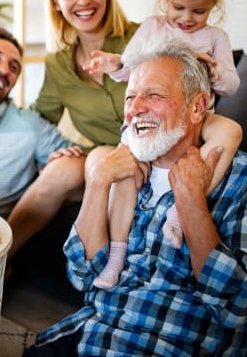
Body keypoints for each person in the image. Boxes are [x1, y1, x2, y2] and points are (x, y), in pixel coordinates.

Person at [23, 39, 247, 357]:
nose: (135, 108)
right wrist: (99, 180)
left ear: (198, 107)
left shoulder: (238, 180)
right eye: (130, 96)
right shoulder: (124, 167)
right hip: (92, 335)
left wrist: (192, 202)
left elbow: (237, 308)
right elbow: (82, 274)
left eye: (153, 95)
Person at [84, 0, 242, 289]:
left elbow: (232, 85)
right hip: (151, 124)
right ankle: (117, 257)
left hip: (197, 118)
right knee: (126, 175)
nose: (187, 18)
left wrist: (214, 69)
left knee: (230, 131)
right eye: (179, 7)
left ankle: (180, 208)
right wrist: (112, 65)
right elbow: (129, 65)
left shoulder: (215, 37)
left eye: (199, 11)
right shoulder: (154, 27)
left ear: (214, 6)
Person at [7, 0, 139, 260]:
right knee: (59, 169)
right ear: (56, 2)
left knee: (99, 163)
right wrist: (47, 152)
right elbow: (39, 118)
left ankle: (98, 270)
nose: (84, 1)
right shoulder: (58, 64)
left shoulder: (142, 38)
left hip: (148, 152)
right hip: (101, 157)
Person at [0, 27, 82, 222]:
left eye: (13, 67)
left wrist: (61, 163)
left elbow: (82, 167)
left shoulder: (31, 125)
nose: (5, 70)